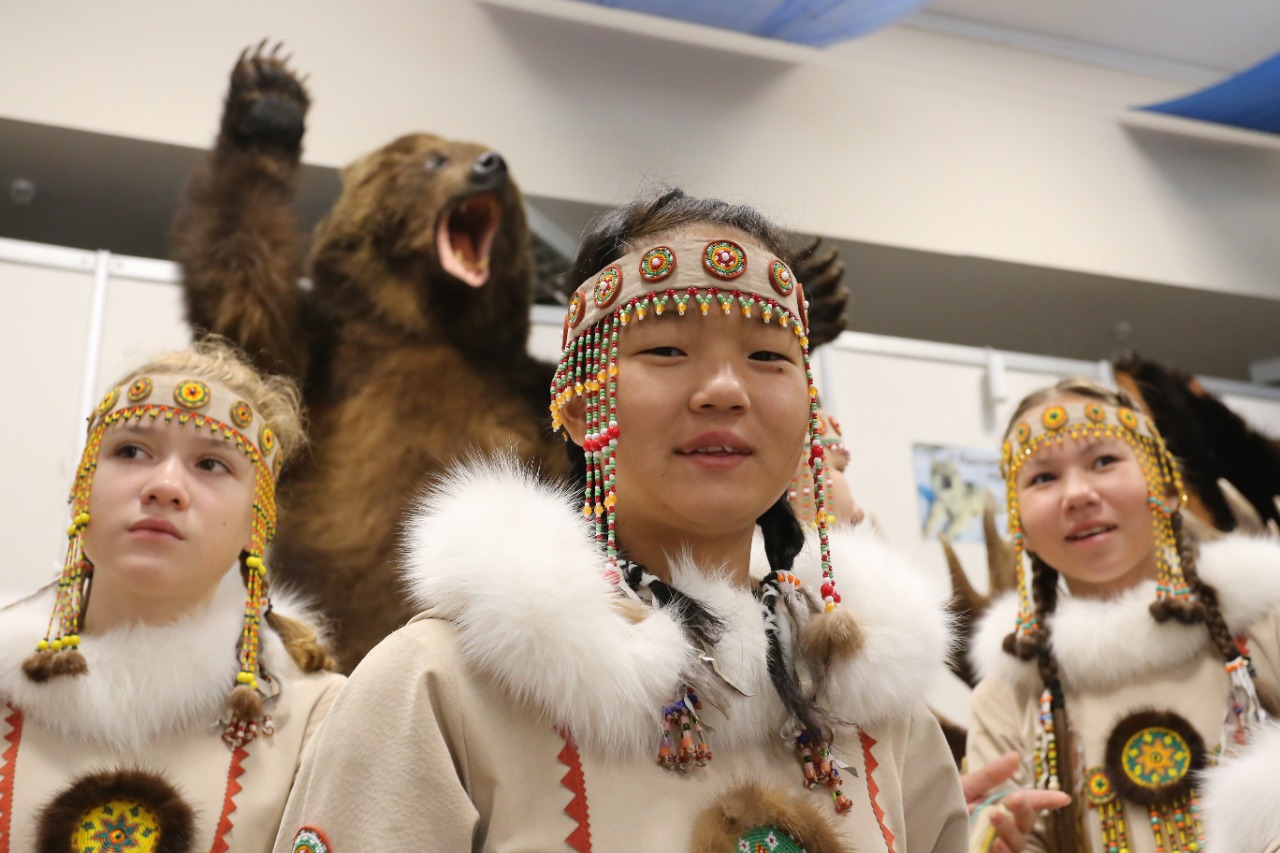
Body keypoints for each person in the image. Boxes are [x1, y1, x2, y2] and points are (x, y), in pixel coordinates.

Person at [276, 189, 967, 852]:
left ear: (809, 412)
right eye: (667, 350)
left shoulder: (875, 703)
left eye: (767, 356)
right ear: (579, 405)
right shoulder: (440, 683)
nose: (725, 388)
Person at [0, 341, 345, 852]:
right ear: (84, 487)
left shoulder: (318, 718)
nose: (165, 486)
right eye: (131, 451)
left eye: (211, 464)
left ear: (258, 521)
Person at [965, 377, 1280, 852]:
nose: (1077, 494)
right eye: (1043, 478)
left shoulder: (1264, 623)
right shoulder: (1011, 693)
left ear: (1168, 488)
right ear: (1020, 526)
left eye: (1104, 461)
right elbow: (1007, 829)